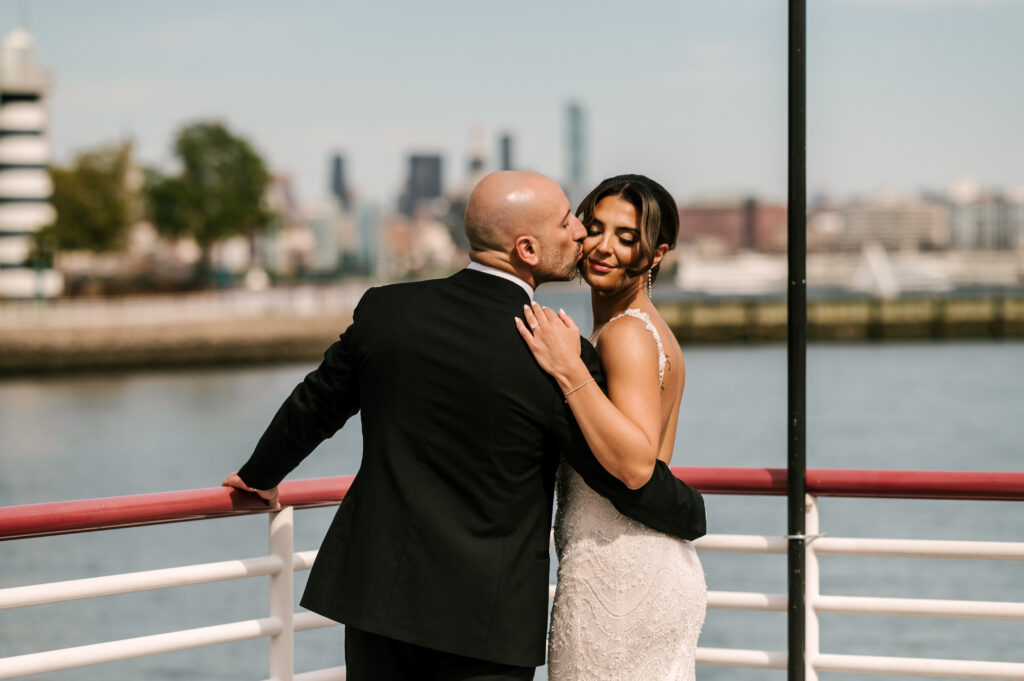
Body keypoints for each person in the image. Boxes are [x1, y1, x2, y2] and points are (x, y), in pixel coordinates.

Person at [222, 170, 706, 681]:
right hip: (486, 621)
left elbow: (315, 404)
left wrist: (259, 474)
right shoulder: (548, 348)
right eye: (571, 223)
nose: (582, 235)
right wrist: (691, 511)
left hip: (378, 602)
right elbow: (618, 475)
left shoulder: (386, 311)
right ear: (527, 249)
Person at [515, 174, 707, 681]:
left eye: (626, 237)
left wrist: (568, 368)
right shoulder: (639, 327)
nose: (602, 247)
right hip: (641, 560)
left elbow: (636, 463)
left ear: (658, 252)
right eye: (594, 227)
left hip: (619, 576)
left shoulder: (627, 335)